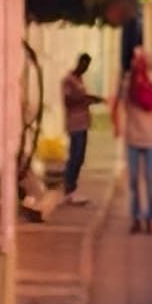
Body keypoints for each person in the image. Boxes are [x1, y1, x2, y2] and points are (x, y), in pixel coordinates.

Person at [121, 40, 152, 227]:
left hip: (151, 140)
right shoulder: (127, 84)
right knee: (133, 181)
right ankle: (136, 217)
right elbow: (119, 102)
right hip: (133, 138)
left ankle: (150, 217)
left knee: (150, 180)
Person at [59, 47, 99, 204]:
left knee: (80, 157)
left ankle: (72, 187)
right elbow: (68, 101)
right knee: (75, 156)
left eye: (87, 66)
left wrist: (92, 99)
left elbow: (82, 96)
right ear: (79, 63)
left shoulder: (80, 80)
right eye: (84, 65)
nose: (85, 68)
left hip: (83, 123)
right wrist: (85, 101)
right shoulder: (68, 80)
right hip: (74, 124)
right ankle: (69, 188)